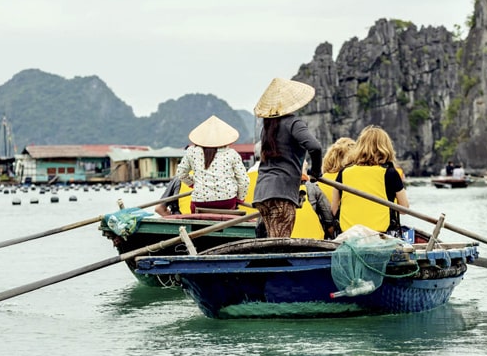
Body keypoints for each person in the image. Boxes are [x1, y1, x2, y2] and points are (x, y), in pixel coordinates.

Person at [251, 78, 323, 238]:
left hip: (262, 194)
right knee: (280, 244)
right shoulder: (293, 123)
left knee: (273, 240)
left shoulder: (267, 127)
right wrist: (316, 173)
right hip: (281, 194)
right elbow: (315, 147)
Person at [331, 125, 410, 235]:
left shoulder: (343, 173)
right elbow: (404, 208)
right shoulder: (390, 173)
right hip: (381, 235)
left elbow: (334, 210)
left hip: (349, 235)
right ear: (386, 147)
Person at [176, 115, 250, 214]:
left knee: (194, 206)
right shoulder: (232, 154)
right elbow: (244, 181)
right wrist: (240, 199)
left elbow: (181, 174)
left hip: (200, 202)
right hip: (227, 201)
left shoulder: (192, 152)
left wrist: (194, 184)